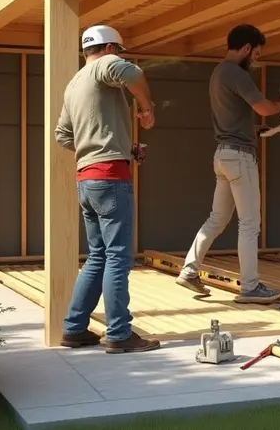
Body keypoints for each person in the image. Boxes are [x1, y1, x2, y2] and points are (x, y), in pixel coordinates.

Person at [54, 24, 160, 354]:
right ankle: (119, 334)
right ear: (110, 47)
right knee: (117, 258)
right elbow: (132, 72)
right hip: (111, 178)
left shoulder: (74, 83)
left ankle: (74, 329)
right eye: (118, 51)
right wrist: (146, 108)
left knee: (97, 256)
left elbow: (63, 136)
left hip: (87, 180)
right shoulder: (105, 65)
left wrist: (109, 147)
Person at [177, 24, 280, 303]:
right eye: (257, 53)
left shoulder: (218, 73)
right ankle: (250, 287)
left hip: (223, 155)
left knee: (216, 219)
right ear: (247, 48)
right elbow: (262, 106)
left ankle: (190, 270)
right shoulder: (237, 74)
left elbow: (233, 117)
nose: (256, 59)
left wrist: (253, 129)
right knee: (250, 223)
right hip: (240, 158)